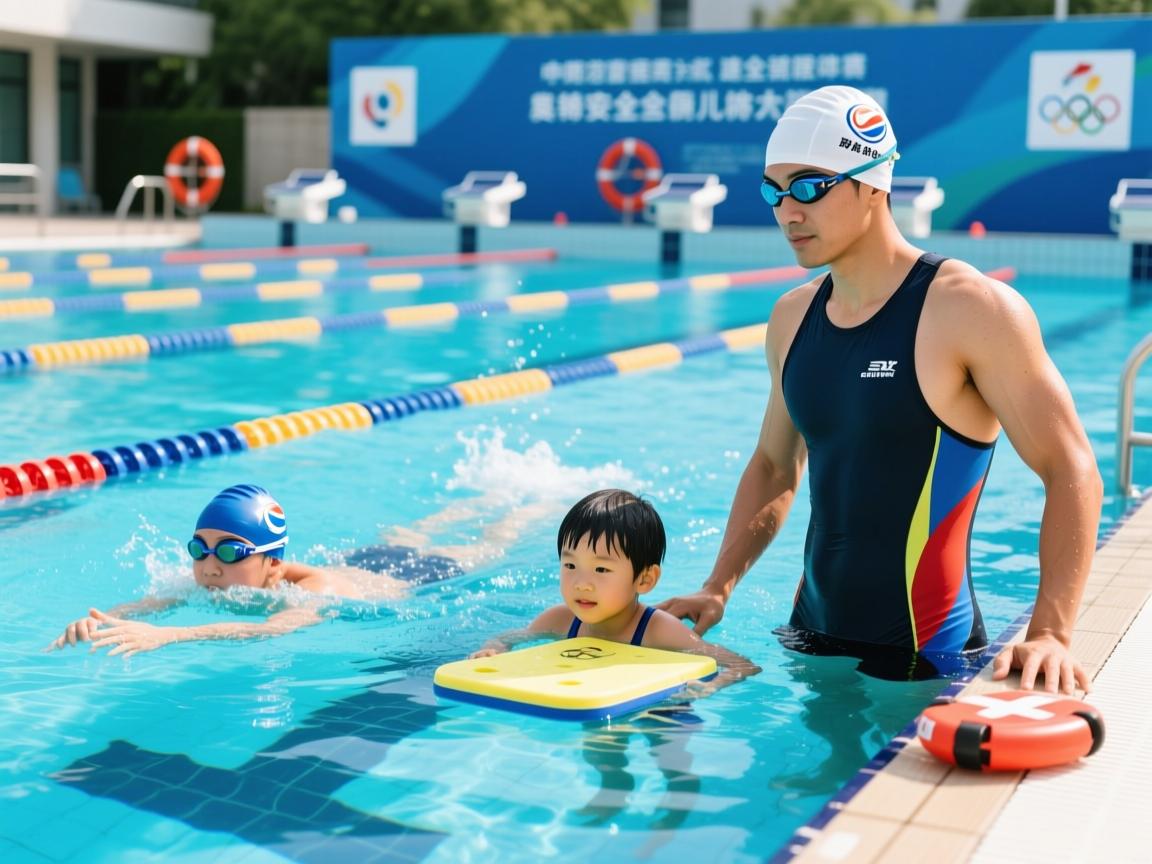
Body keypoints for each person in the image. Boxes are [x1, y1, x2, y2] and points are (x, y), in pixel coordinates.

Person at [657, 85, 1102, 694]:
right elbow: (773, 466)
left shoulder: (968, 308)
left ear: (872, 183)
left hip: (928, 656)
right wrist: (718, 586)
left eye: (808, 187)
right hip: (810, 635)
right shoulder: (792, 317)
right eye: (773, 191)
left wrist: (1051, 632)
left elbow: (1071, 466)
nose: (787, 212)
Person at [49, 483, 414, 657]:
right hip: (354, 560)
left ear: (273, 562)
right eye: (199, 549)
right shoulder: (213, 575)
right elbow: (152, 604)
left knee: (424, 543)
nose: (210, 568)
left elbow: (271, 630)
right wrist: (100, 620)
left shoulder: (315, 593)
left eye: (229, 552)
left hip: (412, 575)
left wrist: (169, 634)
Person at [472, 488, 760, 693]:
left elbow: (743, 665)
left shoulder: (658, 631)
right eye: (570, 565)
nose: (581, 583)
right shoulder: (559, 620)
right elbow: (508, 638)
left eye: (601, 569)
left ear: (644, 580)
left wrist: (710, 686)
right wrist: (493, 650)